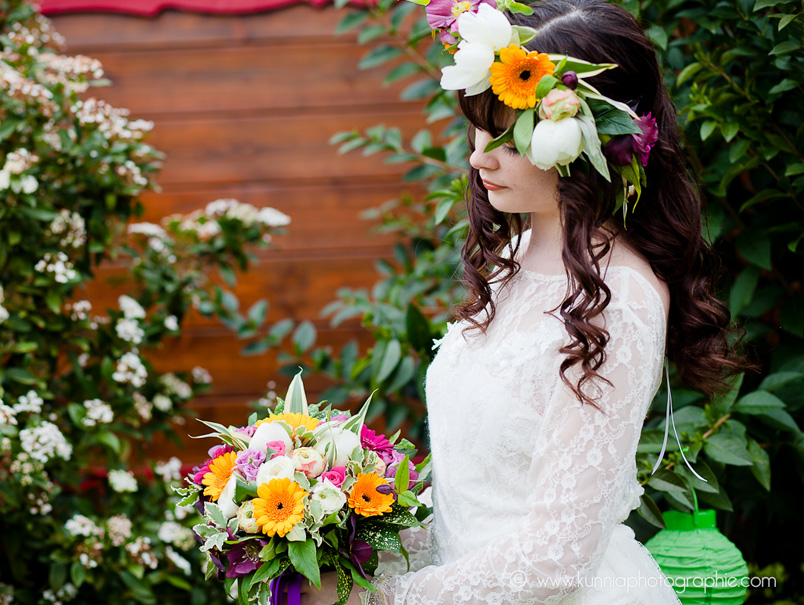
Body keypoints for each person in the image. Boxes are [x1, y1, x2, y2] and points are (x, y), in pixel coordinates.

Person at [302, 0, 748, 602]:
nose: (479, 156)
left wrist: (376, 600)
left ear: (592, 144)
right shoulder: (512, 259)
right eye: (479, 127)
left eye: (510, 136)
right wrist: (342, 544)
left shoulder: (620, 300)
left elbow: (554, 556)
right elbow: (474, 489)